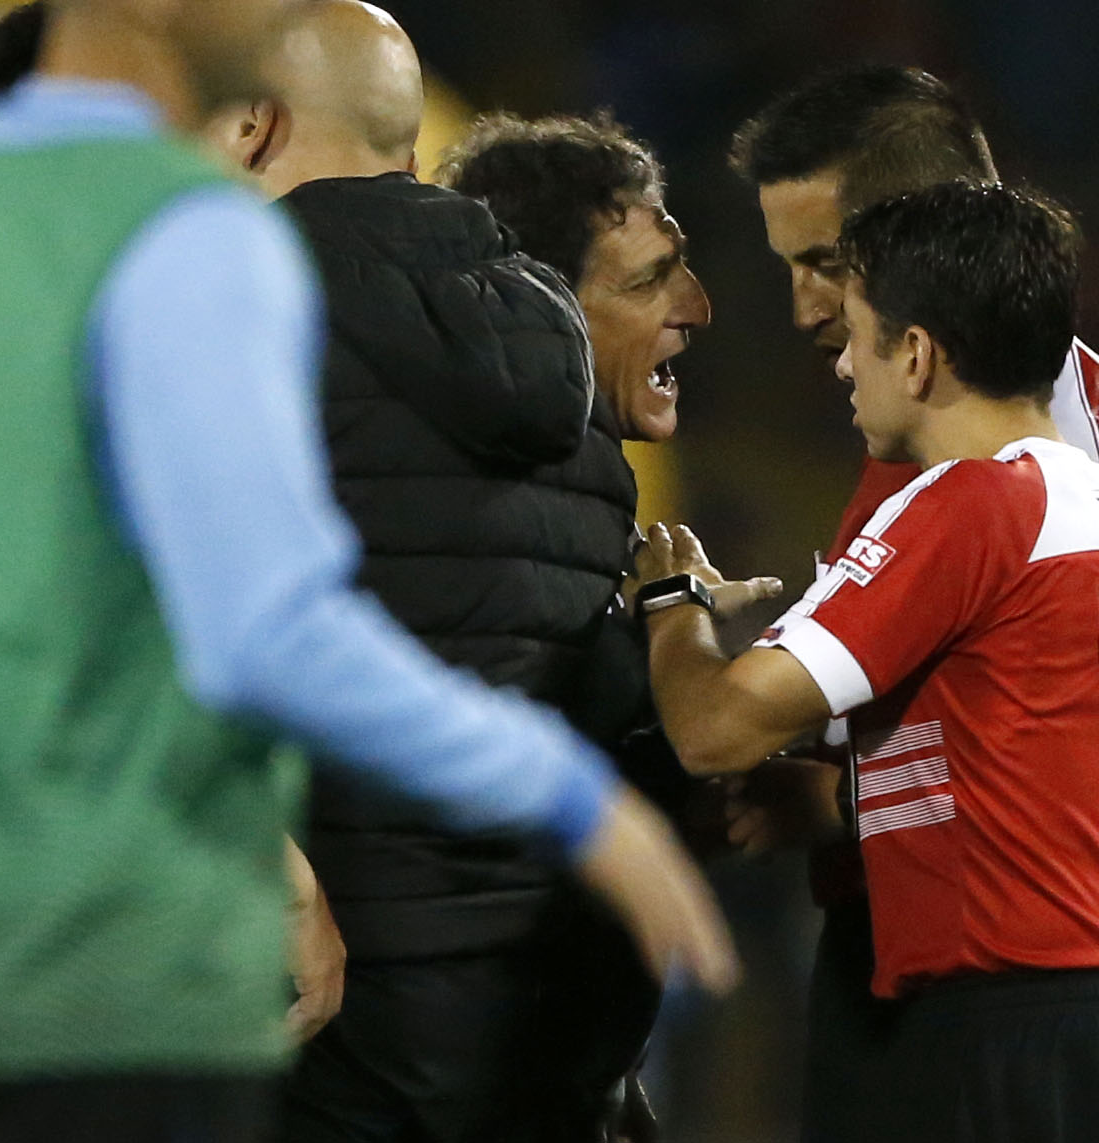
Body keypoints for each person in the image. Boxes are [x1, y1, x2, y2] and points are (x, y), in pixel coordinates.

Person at [0, 2, 734, 1140]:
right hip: (529, 1029)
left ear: (252, 130)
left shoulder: (180, 256)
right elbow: (284, 630)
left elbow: (217, 629)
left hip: (199, 975)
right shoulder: (566, 372)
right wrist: (577, 795)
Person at [205, 7, 754, 1140]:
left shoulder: (229, 325)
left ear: (251, 126)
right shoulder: (571, 386)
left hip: (327, 1034)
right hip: (552, 1049)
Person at [635, 181, 1099, 1143]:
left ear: (915, 354)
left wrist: (673, 605)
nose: (841, 371)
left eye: (857, 338)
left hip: (992, 1041)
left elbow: (715, 728)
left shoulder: (967, 504)